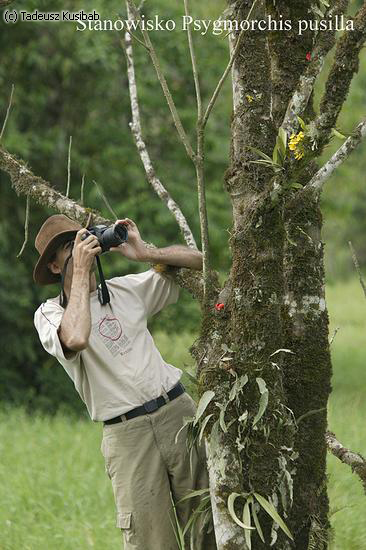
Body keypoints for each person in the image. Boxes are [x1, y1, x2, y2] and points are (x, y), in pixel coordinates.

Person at [33, 214, 216, 550]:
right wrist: (82, 277)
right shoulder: (50, 314)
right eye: (67, 247)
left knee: (209, 526)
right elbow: (75, 338)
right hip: (127, 435)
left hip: (178, 413)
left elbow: (198, 263)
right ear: (55, 268)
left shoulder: (123, 290)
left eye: (81, 238)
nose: (79, 247)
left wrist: (145, 252)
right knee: (151, 541)